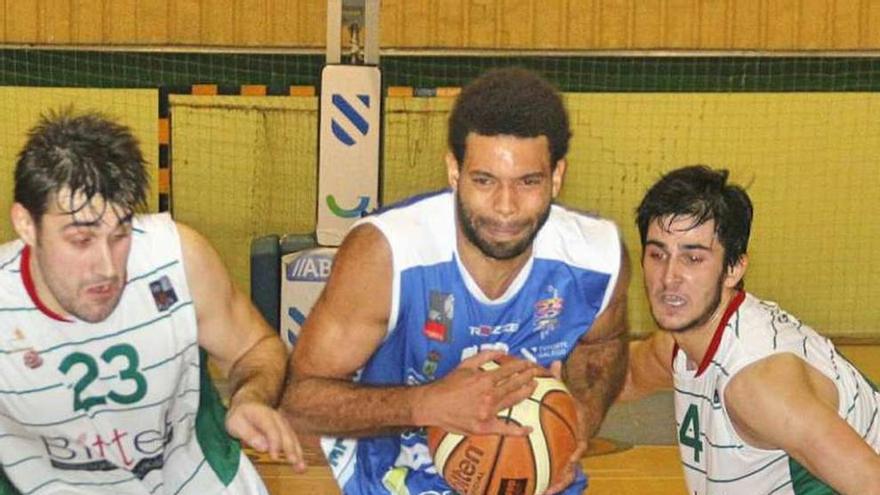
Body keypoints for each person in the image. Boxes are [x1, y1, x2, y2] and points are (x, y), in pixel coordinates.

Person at [281, 67, 630, 495]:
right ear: (454, 170)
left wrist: (577, 421)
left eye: (528, 182)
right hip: (397, 483)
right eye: (484, 180)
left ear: (557, 176)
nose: (505, 206)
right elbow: (299, 402)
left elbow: (604, 344)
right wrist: (425, 404)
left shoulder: (596, 258)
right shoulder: (387, 255)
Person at [0, 109, 304, 495]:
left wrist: (250, 399)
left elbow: (255, 348)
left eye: (120, 233)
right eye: (81, 240)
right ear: (26, 224)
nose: (108, 267)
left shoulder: (176, 259)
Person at [620, 165, 880, 494]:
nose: (669, 276)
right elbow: (618, 378)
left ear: (733, 268)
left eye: (693, 259)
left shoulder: (759, 383)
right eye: (658, 254)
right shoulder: (677, 346)